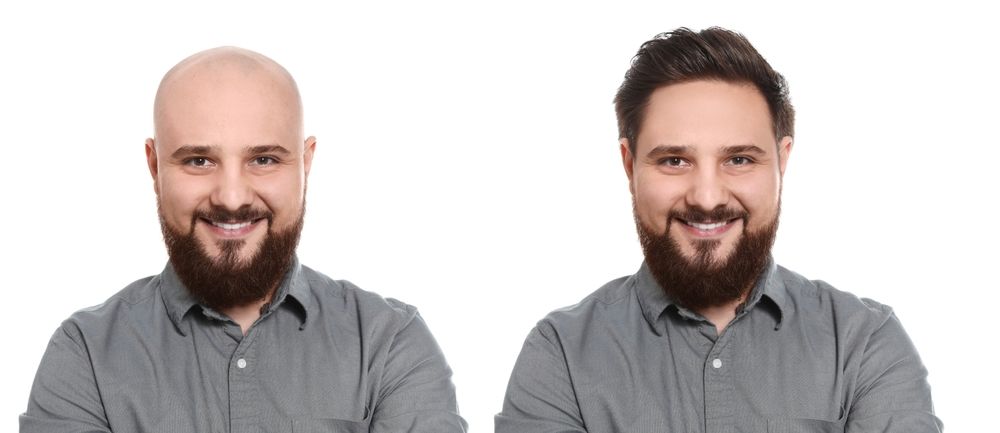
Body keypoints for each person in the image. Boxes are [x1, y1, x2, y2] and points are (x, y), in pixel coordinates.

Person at [495, 27, 941, 432]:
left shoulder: (864, 344)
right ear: (630, 166)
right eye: (674, 160)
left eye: (739, 159)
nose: (706, 198)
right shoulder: (561, 354)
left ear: (782, 161)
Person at [21, 47, 467, 433]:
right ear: (155, 167)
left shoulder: (389, 345)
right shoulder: (86, 355)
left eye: (264, 159)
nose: (232, 197)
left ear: (305, 164)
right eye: (198, 161)